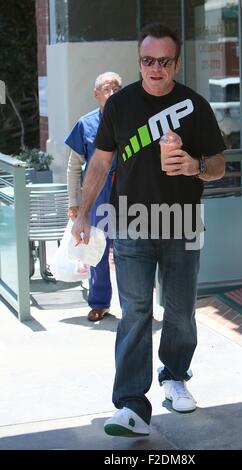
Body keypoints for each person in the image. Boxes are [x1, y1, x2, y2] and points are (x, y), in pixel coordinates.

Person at [72, 23, 226, 437]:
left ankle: (174, 376)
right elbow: (100, 162)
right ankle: (131, 405)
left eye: (163, 61)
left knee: (178, 311)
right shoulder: (120, 105)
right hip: (130, 224)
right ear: (139, 62)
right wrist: (83, 214)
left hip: (182, 222)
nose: (155, 68)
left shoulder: (195, 106)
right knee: (136, 314)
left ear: (175, 63)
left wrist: (195, 166)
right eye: (147, 61)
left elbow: (218, 165)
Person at [65, 71, 122, 322]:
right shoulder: (85, 124)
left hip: (128, 192)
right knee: (97, 248)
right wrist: (74, 204)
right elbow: (74, 167)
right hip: (97, 194)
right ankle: (100, 302)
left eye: (116, 89)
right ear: (96, 94)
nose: (111, 94)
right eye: (106, 89)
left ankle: (134, 306)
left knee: (129, 250)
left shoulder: (132, 121)